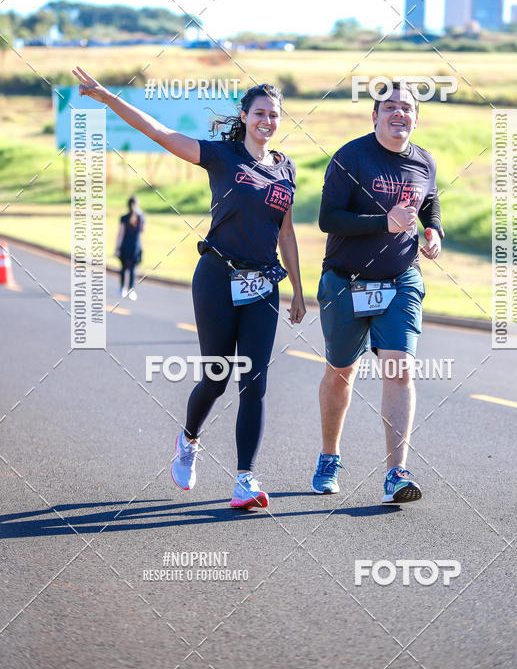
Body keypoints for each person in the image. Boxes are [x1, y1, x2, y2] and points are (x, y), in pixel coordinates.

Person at [72, 67, 306, 509]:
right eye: (260, 113)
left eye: (274, 115)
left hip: (263, 285)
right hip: (217, 278)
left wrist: (297, 288)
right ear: (245, 114)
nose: (267, 122)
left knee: (253, 382)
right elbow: (159, 131)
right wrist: (108, 99)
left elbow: (287, 234)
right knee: (216, 377)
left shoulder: (286, 169)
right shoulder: (222, 155)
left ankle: (244, 481)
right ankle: (189, 439)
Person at [312, 80, 444, 504]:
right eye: (390, 107)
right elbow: (328, 218)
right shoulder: (351, 157)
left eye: (407, 107)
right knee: (341, 373)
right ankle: (329, 456)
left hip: (402, 279)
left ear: (416, 118)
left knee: (399, 370)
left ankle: (396, 472)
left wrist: (434, 230)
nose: (399, 113)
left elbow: (429, 204)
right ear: (374, 116)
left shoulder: (424, 162)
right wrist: (381, 223)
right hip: (346, 281)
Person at [115, 196, 144, 300]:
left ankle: (122, 289)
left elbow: (120, 234)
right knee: (132, 270)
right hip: (135, 247)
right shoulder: (140, 217)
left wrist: (117, 248)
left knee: (123, 268)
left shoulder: (124, 218)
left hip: (125, 246)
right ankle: (131, 290)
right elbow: (143, 231)